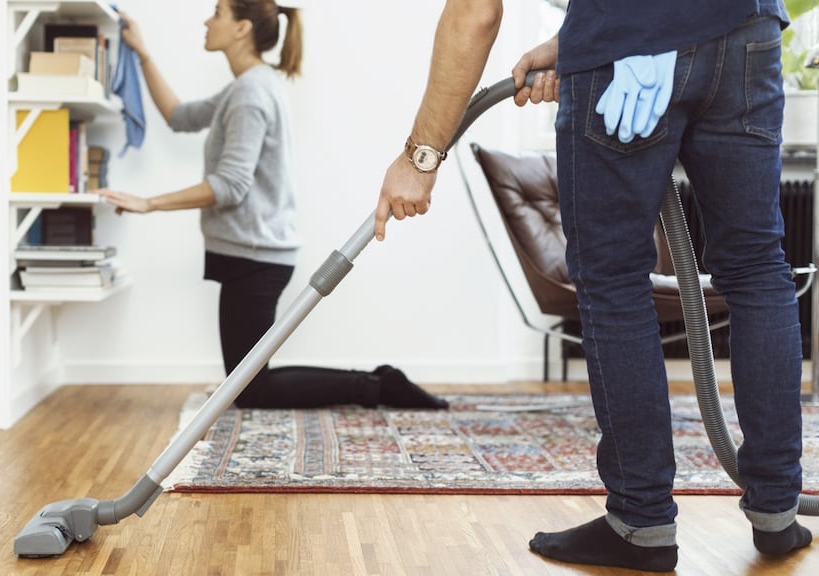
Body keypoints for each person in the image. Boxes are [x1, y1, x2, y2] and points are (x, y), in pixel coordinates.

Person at [376, 0, 812, 572]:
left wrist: (420, 156)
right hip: (746, 32)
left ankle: (642, 521)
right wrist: (578, 38)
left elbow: (474, 12)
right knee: (757, 266)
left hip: (628, 39)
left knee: (612, 278)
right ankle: (778, 511)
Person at [97, 2, 447, 410]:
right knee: (245, 383)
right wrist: (142, 52)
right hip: (248, 252)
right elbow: (179, 116)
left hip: (255, 257)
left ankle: (378, 387)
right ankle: (377, 384)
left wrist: (149, 203)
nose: (207, 22)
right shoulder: (245, 87)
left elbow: (231, 185)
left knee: (248, 388)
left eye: (217, 14)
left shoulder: (251, 93)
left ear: (242, 27)